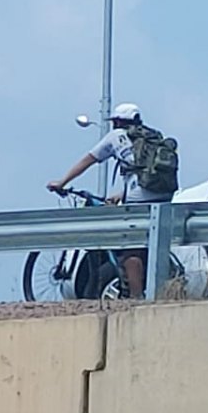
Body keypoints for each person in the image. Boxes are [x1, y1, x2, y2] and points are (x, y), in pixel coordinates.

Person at [46, 102, 173, 299]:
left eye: (115, 122)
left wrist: (62, 182)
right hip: (164, 197)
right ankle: (166, 287)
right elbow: (142, 172)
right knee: (152, 244)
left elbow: (87, 160)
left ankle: (137, 298)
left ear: (119, 122)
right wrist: (121, 194)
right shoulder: (152, 136)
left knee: (130, 249)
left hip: (139, 202)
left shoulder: (116, 137)